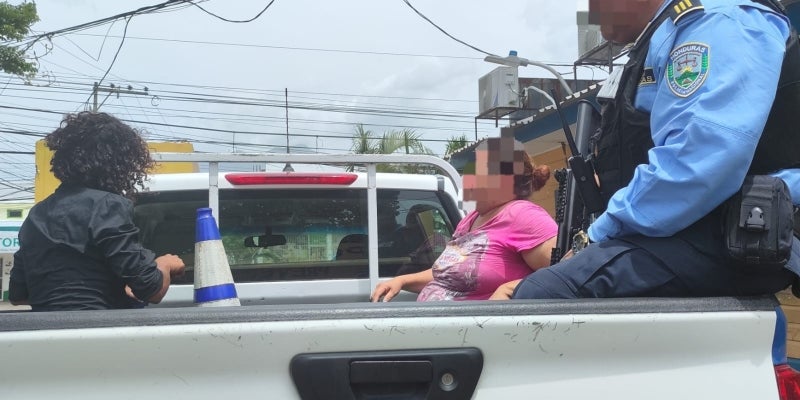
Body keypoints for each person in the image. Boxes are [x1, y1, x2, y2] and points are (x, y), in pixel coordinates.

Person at [505, 0, 800, 300]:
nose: (590, 8)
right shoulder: (667, 33)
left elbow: (698, 160)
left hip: (731, 231)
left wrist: (594, 237)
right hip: (689, 231)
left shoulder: (718, 21)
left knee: (542, 294)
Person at [9, 112, 186, 311]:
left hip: (43, 334)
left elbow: (18, 294)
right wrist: (166, 263)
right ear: (119, 162)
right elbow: (151, 290)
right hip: (97, 331)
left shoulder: (36, 215)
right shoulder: (107, 206)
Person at [370, 134, 557, 302]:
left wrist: (509, 289)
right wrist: (401, 281)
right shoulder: (471, 220)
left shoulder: (523, 215)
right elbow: (447, 274)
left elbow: (563, 273)